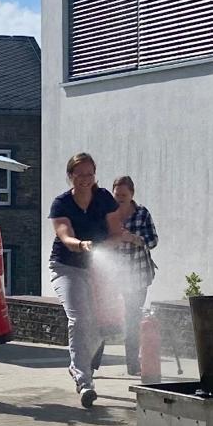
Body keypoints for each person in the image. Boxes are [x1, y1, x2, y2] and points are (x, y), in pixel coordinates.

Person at [49, 152, 124, 408]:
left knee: (100, 326)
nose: (84, 179)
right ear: (70, 176)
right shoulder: (61, 204)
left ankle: (76, 365)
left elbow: (116, 233)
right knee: (79, 318)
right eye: (79, 174)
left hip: (96, 268)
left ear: (95, 175)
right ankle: (85, 382)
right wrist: (80, 245)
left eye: (89, 174)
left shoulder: (103, 199)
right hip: (65, 267)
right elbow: (64, 236)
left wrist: (103, 248)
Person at [111, 176, 158, 376]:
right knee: (103, 318)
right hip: (113, 276)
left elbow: (153, 240)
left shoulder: (142, 213)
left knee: (132, 318)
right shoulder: (107, 213)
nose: (120, 198)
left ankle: (132, 365)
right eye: (117, 194)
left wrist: (134, 239)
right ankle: (92, 364)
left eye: (124, 195)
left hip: (138, 275)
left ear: (132, 194)